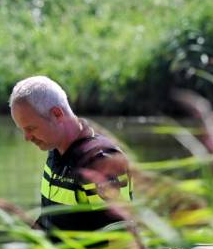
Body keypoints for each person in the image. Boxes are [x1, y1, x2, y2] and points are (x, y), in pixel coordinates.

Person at [8, 75, 132, 238]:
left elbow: (121, 240)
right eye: (22, 130)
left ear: (57, 114)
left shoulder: (100, 160)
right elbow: (50, 220)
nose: (27, 137)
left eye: (31, 128)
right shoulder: (55, 151)